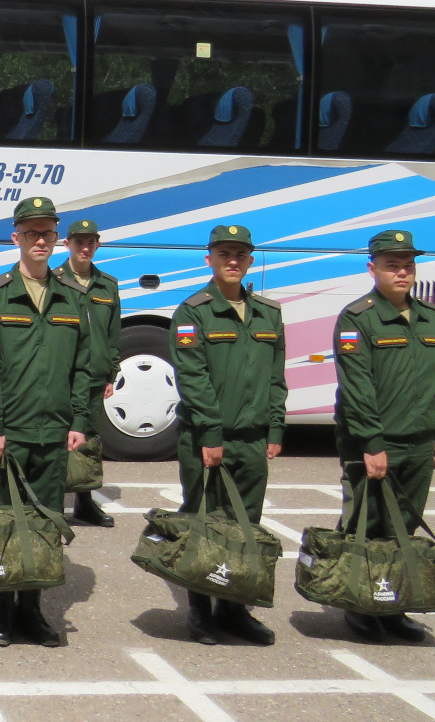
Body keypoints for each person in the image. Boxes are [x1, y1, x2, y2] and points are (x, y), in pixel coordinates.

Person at [0, 196, 91, 648]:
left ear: (57, 239)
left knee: (44, 523)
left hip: (53, 431)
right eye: (32, 233)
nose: (40, 240)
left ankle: (32, 611)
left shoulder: (73, 296)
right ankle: (2, 612)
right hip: (10, 431)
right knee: (2, 521)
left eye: (47, 233)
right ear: (15, 238)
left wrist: (79, 419)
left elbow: (84, 364)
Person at [332, 229, 435, 643]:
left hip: (419, 442)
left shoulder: (434, 319)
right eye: (392, 265)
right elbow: (357, 386)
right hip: (374, 443)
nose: (402, 272)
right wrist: (372, 443)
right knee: (366, 525)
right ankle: (359, 606)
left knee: (403, 527)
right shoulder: (357, 318)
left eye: (408, 265)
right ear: (373, 269)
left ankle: (392, 607)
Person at [169, 224, 286, 646]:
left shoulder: (268, 313)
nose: (232, 261)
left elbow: (276, 376)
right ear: (210, 260)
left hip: (251, 440)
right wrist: (211, 433)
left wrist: (275, 426)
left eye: (239, 254)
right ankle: (200, 611)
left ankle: (235, 610)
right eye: (224, 254)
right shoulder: (193, 313)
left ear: (250, 261)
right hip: (206, 440)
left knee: (245, 527)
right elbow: (193, 377)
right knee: (204, 523)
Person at [54, 218, 119, 528]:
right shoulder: (53, 280)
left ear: (97, 244)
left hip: (94, 373)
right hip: (61, 373)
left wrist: (111, 372)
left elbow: (113, 333)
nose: (85, 247)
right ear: (67, 244)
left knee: (89, 438)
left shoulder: (108, 284)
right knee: (56, 435)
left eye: (90, 242)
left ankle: (84, 501)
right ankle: (51, 502)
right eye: (79, 241)